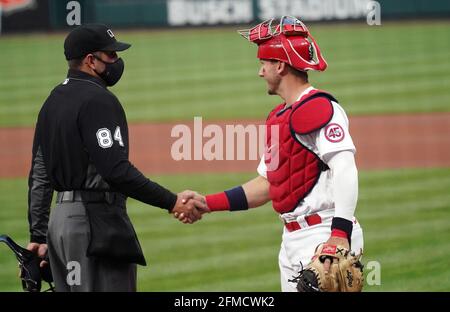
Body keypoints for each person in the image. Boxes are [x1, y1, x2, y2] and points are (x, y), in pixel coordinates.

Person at [176, 16, 364, 292]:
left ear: (280, 65)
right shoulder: (279, 116)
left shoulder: (319, 108)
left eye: (263, 64)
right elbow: (268, 185)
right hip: (291, 240)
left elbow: (345, 167)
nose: (260, 72)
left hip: (324, 235)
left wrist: (339, 235)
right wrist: (208, 202)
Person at [26, 24, 204, 292]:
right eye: (110, 55)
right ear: (90, 61)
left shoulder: (52, 101)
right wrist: (172, 201)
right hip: (94, 223)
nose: (117, 61)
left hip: (60, 226)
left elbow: (40, 175)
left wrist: (38, 236)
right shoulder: (99, 100)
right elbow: (116, 170)